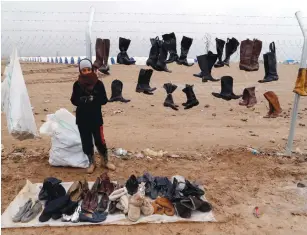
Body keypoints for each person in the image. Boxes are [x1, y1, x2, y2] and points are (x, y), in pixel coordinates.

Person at [71, 58, 115, 173]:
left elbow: (104, 100)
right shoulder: (77, 85)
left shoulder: (98, 84)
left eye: (88, 69)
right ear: (80, 71)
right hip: (82, 119)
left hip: (96, 118)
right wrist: (82, 100)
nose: (86, 72)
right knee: (86, 142)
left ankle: (105, 161)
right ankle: (91, 162)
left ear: (92, 70)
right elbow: (74, 100)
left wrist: (94, 98)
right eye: (84, 70)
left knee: (100, 141)